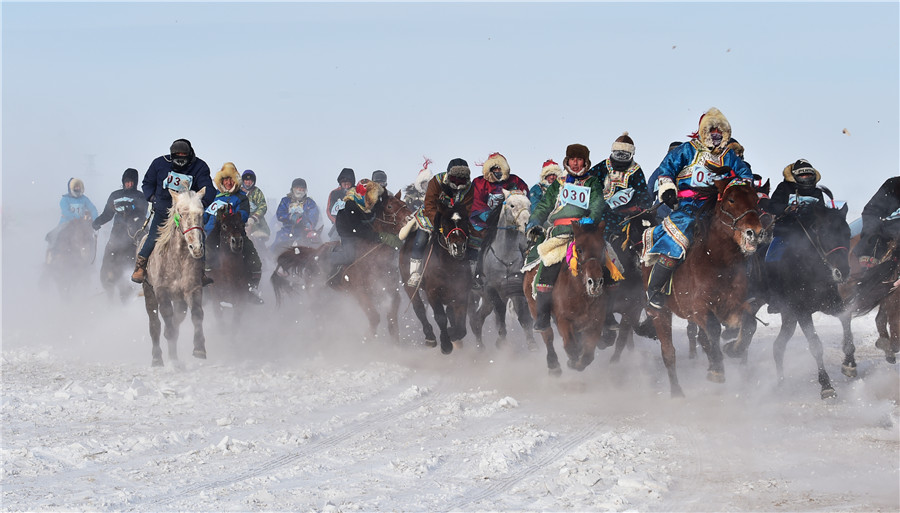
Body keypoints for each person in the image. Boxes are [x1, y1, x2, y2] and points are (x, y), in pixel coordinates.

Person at [643, 108, 752, 311]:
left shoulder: (729, 156)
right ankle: (655, 289)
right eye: (712, 131)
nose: (716, 136)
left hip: (716, 209)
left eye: (720, 132)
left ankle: (745, 289)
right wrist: (667, 189)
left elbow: (745, 174)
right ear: (703, 132)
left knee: (739, 243)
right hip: (687, 209)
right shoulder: (687, 150)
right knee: (677, 242)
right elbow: (666, 168)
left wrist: (737, 187)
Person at [525, 143, 606, 331]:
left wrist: (590, 219)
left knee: (610, 262)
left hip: (586, 233)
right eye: (572, 159)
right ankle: (543, 314)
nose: (575, 163)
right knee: (547, 264)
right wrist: (534, 222)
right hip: (560, 233)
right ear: (567, 161)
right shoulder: (559, 183)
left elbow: (597, 204)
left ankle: (607, 315)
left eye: (579, 160)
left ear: (585, 162)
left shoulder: (592, 182)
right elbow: (544, 205)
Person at [131, 138, 216, 284]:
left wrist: (200, 202)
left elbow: (208, 188)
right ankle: (141, 267)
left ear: (189, 155)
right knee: (153, 237)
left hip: (187, 213)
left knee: (197, 236)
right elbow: (147, 183)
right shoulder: (159, 164)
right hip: (164, 209)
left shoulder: (200, 167)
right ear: (172, 156)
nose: (181, 160)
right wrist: (152, 197)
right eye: (177, 157)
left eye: (184, 157)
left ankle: (200, 271)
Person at [764, 159, 832, 311]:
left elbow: (822, 214)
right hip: (785, 234)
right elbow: (772, 205)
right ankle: (775, 298)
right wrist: (787, 208)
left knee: (828, 258)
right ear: (795, 177)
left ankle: (828, 293)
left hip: (809, 236)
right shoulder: (784, 187)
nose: (806, 179)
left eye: (809, 176)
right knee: (770, 259)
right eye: (803, 176)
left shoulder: (817, 192)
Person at [407, 158, 475, 287]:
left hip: (456, 218)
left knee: (472, 239)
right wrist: (439, 222)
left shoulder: (469, 188)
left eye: (462, 179)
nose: (458, 183)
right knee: (421, 239)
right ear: (449, 175)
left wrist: (462, 221)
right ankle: (415, 273)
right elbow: (429, 203)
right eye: (455, 178)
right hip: (433, 215)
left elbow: (468, 207)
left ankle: (472, 274)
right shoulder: (436, 181)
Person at [203, 163, 265, 304]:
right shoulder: (216, 198)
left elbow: (243, 214)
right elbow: (205, 216)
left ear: (235, 181)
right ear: (221, 182)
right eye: (225, 180)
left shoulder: (241, 197)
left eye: (231, 180)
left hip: (235, 233)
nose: (228, 182)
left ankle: (251, 289)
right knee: (203, 253)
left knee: (254, 258)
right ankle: (204, 286)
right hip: (213, 234)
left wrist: (231, 214)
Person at [469, 152, 530, 288]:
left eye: (499, 169)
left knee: (525, 243)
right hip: (485, 223)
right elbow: (476, 202)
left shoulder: (515, 181)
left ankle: (526, 272)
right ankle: (478, 273)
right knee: (481, 243)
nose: (497, 172)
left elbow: (523, 196)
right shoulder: (480, 183)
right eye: (494, 169)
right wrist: (491, 219)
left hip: (511, 222)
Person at [92, 168, 149, 284]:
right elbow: (107, 214)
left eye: (131, 182)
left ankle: (141, 273)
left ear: (135, 183)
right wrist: (97, 222)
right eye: (126, 182)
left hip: (135, 233)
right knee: (109, 252)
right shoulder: (115, 195)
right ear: (123, 182)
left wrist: (130, 210)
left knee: (144, 251)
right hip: (118, 232)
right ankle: (107, 277)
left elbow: (142, 212)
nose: (128, 184)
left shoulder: (140, 196)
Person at [589, 132, 652, 230]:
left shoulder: (635, 170)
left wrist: (640, 207)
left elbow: (642, 192)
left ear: (631, 155)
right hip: (601, 210)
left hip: (625, 214)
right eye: (618, 154)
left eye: (625, 155)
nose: (621, 158)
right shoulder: (603, 166)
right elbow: (588, 181)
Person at [328, 179, 384, 286]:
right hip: (347, 231)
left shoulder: (371, 204)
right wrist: (377, 236)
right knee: (350, 255)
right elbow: (356, 229)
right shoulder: (351, 205)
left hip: (363, 229)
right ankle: (328, 258)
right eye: (371, 195)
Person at [45, 177, 99, 263]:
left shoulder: (84, 199)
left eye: (79, 187)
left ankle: (90, 257)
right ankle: (53, 255)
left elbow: (92, 209)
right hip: (66, 222)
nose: (77, 189)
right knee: (56, 235)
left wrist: (96, 219)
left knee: (89, 237)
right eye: (75, 187)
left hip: (81, 223)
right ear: (71, 188)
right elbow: (65, 211)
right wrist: (75, 217)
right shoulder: (65, 199)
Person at [855, 176, 900, 269]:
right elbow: (871, 211)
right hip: (888, 236)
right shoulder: (894, 185)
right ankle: (867, 276)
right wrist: (874, 232)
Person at [272, 178, 321, 251]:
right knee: (275, 247)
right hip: (287, 230)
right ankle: (271, 260)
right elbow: (280, 214)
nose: (300, 191)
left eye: (302, 189)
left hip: (304, 231)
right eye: (298, 188)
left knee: (317, 246)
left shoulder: (310, 202)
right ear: (293, 189)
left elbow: (313, 216)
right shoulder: (285, 201)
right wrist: (290, 217)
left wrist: (307, 222)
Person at [647, 141, 684, 221]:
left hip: (667, 213)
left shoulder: (660, 171)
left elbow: (650, 190)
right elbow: (649, 190)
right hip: (665, 215)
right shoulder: (660, 171)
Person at [240, 169, 270, 245]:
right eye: (246, 180)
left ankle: (263, 254)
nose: (248, 182)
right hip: (240, 219)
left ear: (253, 181)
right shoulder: (238, 191)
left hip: (255, 221)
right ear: (243, 181)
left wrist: (254, 217)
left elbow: (263, 206)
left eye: (250, 180)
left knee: (259, 239)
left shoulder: (257, 192)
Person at [326, 167, 356, 240]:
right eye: (344, 184)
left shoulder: (357, 193)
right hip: (339, 226)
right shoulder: (334, 193)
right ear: (340, 183)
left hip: (356, 225)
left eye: (348, 184)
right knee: (332, 243)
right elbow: (329, 211)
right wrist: (337, 222)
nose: (346, 186)